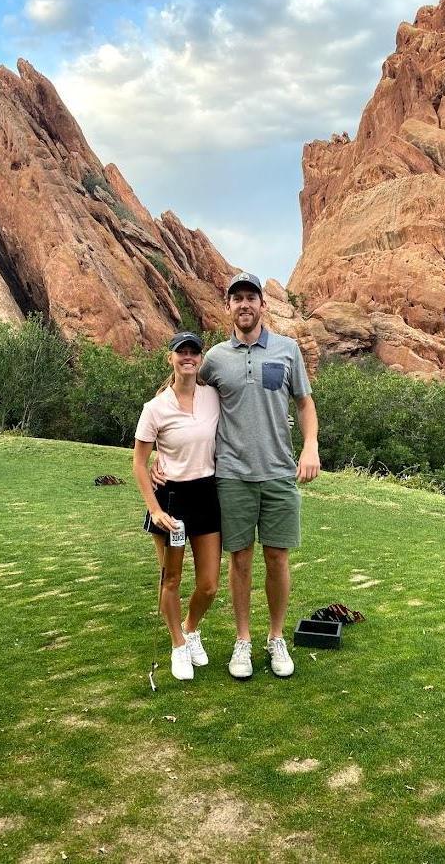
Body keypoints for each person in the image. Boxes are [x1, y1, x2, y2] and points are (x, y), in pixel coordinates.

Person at [153, 273, 320, 679]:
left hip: (278, 472)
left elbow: (304, 402)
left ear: (262, 304)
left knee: (277, 557)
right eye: (237, 298)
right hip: (231, 475)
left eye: (251, 297)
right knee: (240, 559)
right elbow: (180, 390)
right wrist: (158, 447)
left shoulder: (287, 349)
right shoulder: (215, 358)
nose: (244, 304)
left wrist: (311, 446)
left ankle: (275, 637)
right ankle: (242, 640)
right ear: (227, 306)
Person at [132, 332, 222, 681]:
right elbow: (139, 463)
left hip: (207, 495)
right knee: (171, 579)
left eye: (193, 352)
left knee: (209, 585)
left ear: (200, 359)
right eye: (181, 352)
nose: (188, 357)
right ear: (170, 358)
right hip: (171, 501)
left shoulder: (212, 396)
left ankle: (191, 628)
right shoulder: (155, 408)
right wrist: (154, 510)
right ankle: (178, 644)